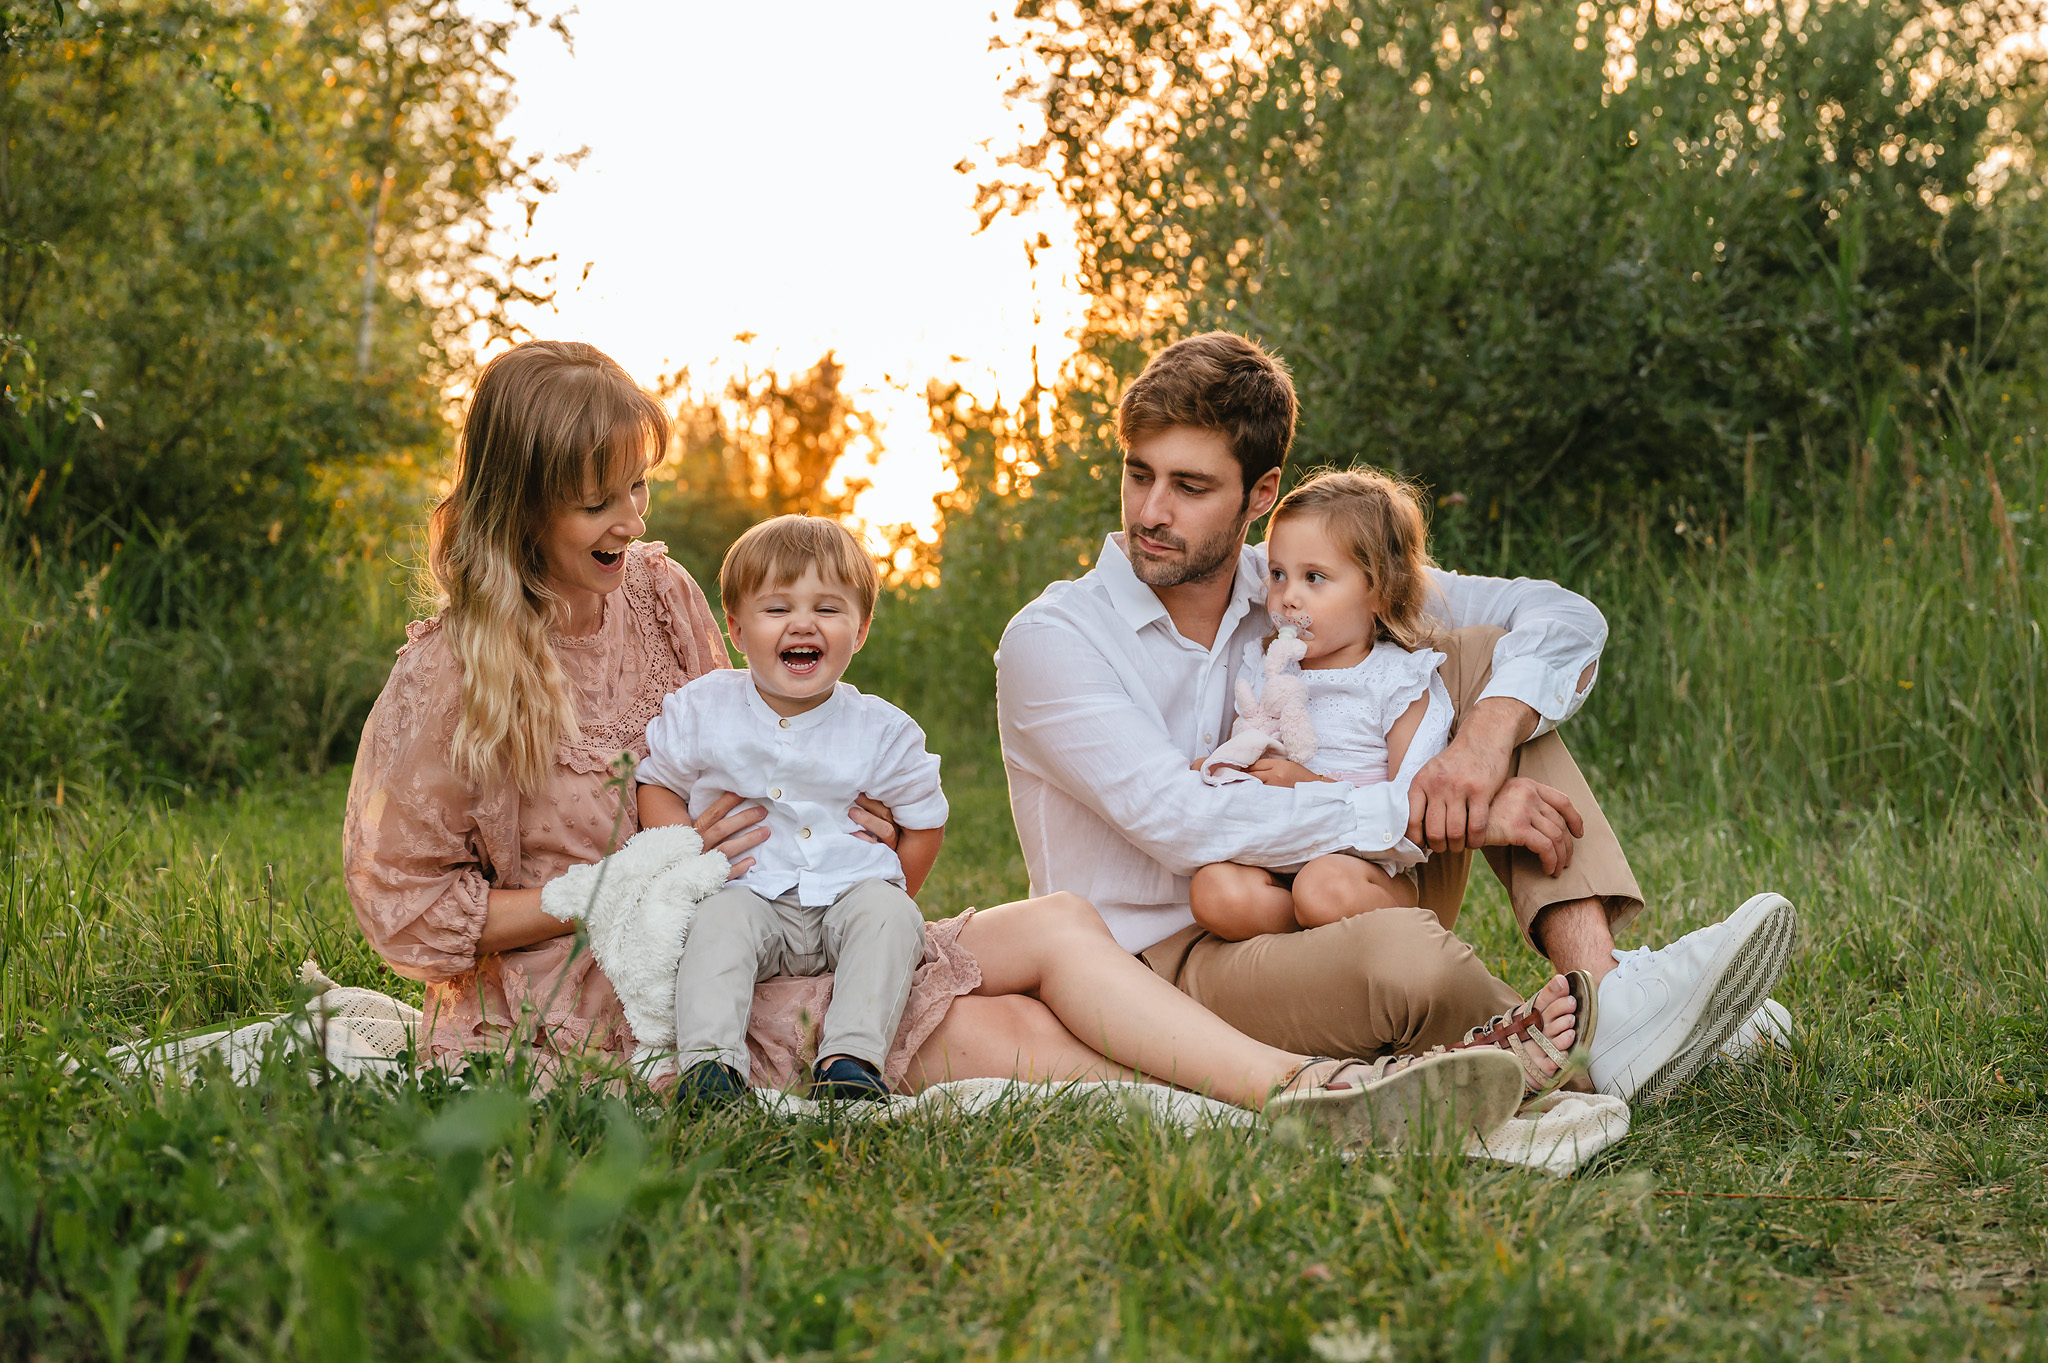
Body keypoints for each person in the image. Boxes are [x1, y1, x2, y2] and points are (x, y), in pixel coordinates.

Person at [340, 338, 1581, 1147]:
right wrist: (601, 885)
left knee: (1056, 929)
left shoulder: (661, 593)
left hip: (790, 903)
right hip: (639, 980)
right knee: (1026, 1042)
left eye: (640, 489)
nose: (634, 522)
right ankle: (1301, 1108)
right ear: (522, 497)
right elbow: (406, 915)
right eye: (600, 498)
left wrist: (832, 806)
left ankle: (1386, 1067)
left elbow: (730, 747)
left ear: (1256, 497)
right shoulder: (444, 677)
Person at [996, 331, 1796, 1104]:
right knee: (1405, 964)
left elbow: (1558, 615)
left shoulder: (1298, 580)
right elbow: (1181, 821)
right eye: (1140, 474)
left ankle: (1607, 993)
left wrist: (1484, 740)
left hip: (1349, 884)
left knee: (1481, 661)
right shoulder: (1056, 639)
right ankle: (1616, 1030)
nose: (1152, 511)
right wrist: (1463, 816)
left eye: (1190, 486)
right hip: (1175, 961)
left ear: (1262, 493)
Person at [636, 514, 947, 1106]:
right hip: (747, 892)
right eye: (777, 608)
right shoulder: (703, 711)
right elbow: (657, 783)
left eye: (828, 609)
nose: (803, 623)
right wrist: (685, 853)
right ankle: (710, 1068)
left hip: (846, 894)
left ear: (860, 630)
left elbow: (924, 818)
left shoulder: (882, 730)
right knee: (715, 927)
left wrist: (894, 891)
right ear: (735, 627)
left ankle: (851, 1060)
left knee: (891, 918)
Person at [1190, 468, 1457, 939]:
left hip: (1363, 867)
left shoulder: (1397, 680)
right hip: (1278, 856)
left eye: (1314, 577)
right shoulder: (1267, 665)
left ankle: (1377, 925)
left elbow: (1412, 807)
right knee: (1213, 892)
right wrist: (1225, 768)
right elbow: (1255, 738)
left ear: (1379, 591)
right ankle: (1307, 939)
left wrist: (1309, 784)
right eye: (1278, 575)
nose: (1288, 597)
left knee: (1322, 887)